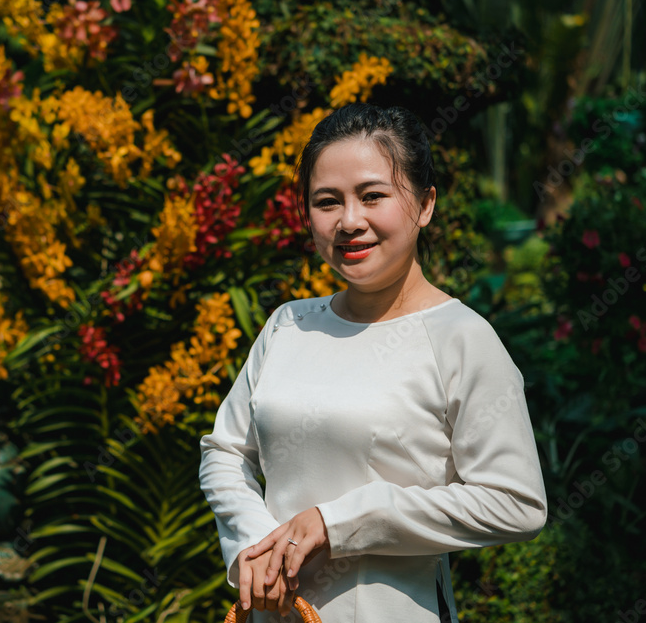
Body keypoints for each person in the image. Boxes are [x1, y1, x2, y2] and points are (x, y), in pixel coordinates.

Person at [198, 103, 547, 623]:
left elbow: (515, 502)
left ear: (425, 204)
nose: (349, 222)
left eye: (373, 196)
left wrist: (337, 522)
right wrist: (253, 549)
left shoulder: (461, 339)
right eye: (327, 202)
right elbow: (225, 452)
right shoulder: (288, 326)